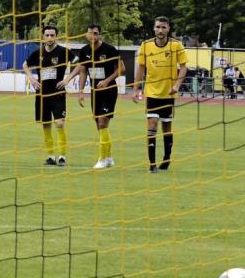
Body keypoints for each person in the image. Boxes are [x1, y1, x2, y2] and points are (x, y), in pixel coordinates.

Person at [58, 24, 124, 169]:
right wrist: (81, 91)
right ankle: (109, 157)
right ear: (87, 35)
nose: (92, 36)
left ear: (100, 34)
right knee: (99, 125)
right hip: (95, 92)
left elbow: (121, 68)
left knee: (102, 122)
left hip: (109, 90)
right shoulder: (84, 51)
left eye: (95, 33)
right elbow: (83, 71)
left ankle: (101, 159)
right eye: (90, 33)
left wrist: (107, 81)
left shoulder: (110, 49)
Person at [133, 16, 188, 173]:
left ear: (168, 29)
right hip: (151, 93)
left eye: (163, 27)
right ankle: (152, 164)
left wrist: (177, 85)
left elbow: (184, 67)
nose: (160, 30)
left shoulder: (176, 45)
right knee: (151, 124)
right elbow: (141, 67)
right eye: (158, 27)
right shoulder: (146, 45)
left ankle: (167, 158)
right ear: (154, 28)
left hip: (168, 94)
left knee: (166, 126)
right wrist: (136, 88)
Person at [23, 25, 69, 166]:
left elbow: (79, 65)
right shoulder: (38, 52)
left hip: (58, 92)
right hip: (42, 94)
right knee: (46, 124)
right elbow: (25, 65)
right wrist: (31, 78)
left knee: (59, 123)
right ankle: (50, 156)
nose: (49, 38)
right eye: (47, 35)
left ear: (56, 36)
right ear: (43, 36)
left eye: (52, 35)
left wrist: (67, 79)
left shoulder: (63, 52)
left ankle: (62, 156)